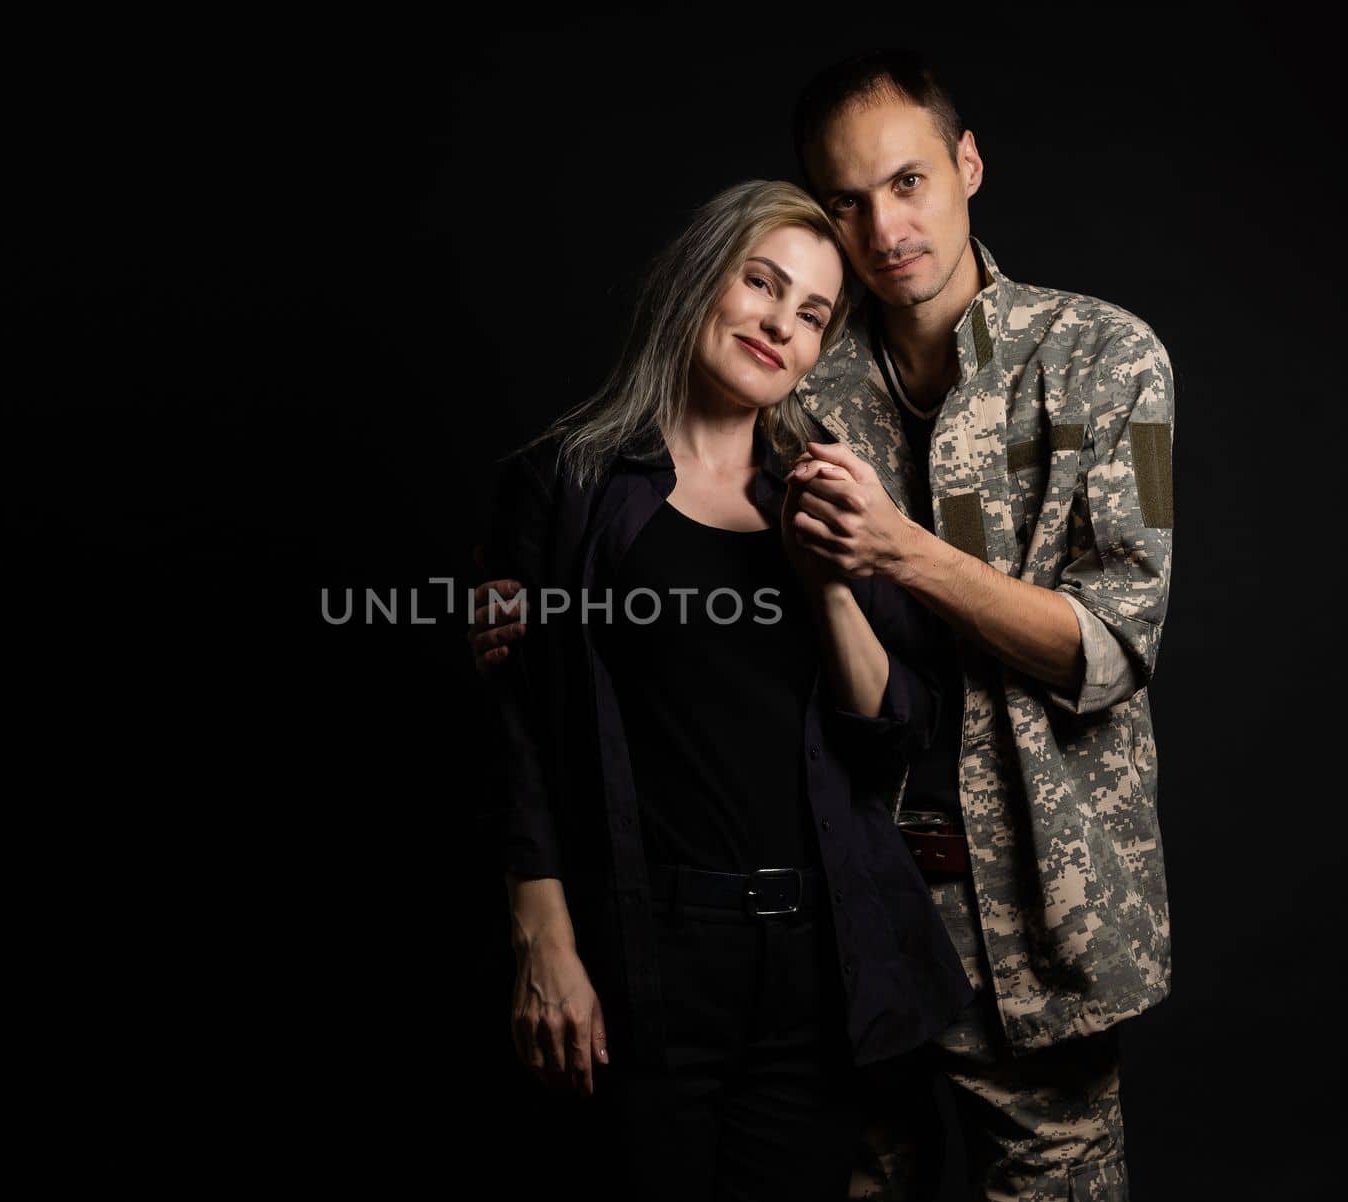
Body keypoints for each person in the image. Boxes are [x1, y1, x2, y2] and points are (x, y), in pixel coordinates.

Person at [473, 51, 1174, 1202]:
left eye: (907, 182)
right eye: (845, 199)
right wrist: (526, 611)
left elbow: (1107, 652)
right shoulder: (791, 373)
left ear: (968, 165)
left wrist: (899, 550)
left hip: (1042, 921)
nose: (881, 224)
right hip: (846, 926)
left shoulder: (1105, 359)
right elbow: (643, 559)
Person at [474, 179, 972, 1200]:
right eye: (762, 284)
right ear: (704, 276)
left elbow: (897, 735)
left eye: (811, 315)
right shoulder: (566, 484)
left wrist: (831, 585)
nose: (779, 326)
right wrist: (543, 934)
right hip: (640, 955)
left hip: (809, 969)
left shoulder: (827, 492)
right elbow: (517, 729)